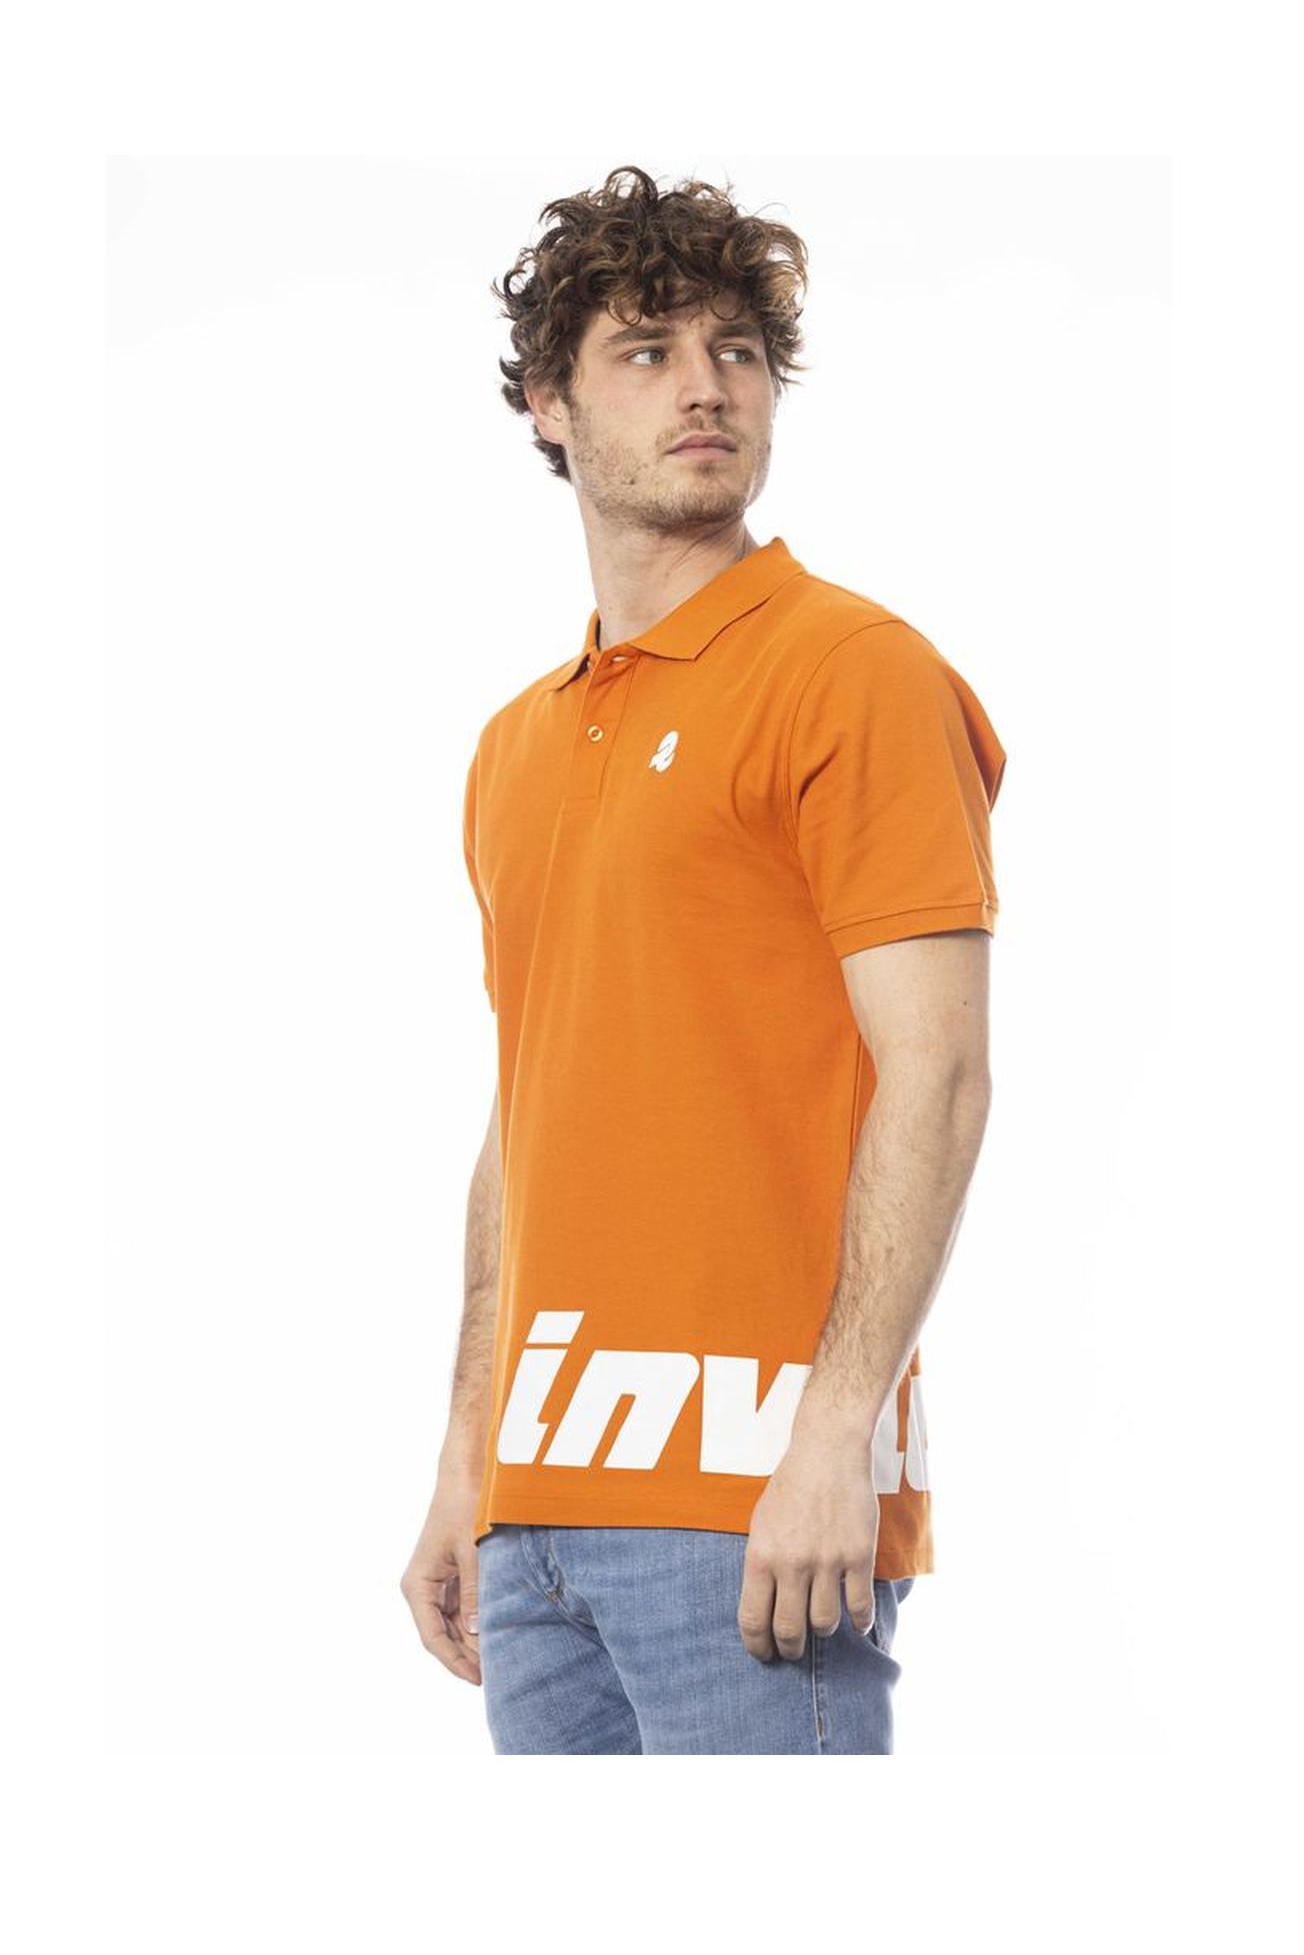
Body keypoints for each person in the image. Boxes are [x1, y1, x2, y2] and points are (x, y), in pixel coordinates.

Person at [399, 165, 1007, 1753]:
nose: (706, 387)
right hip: (539, 1515)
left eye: (738, 350)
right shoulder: (514, 749)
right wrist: (468, 1460)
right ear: (547, 405)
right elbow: (526, 1117)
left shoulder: (851, 673)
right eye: (646, 350)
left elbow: (940, 1072)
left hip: (755, 1511)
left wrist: (835, 1433)